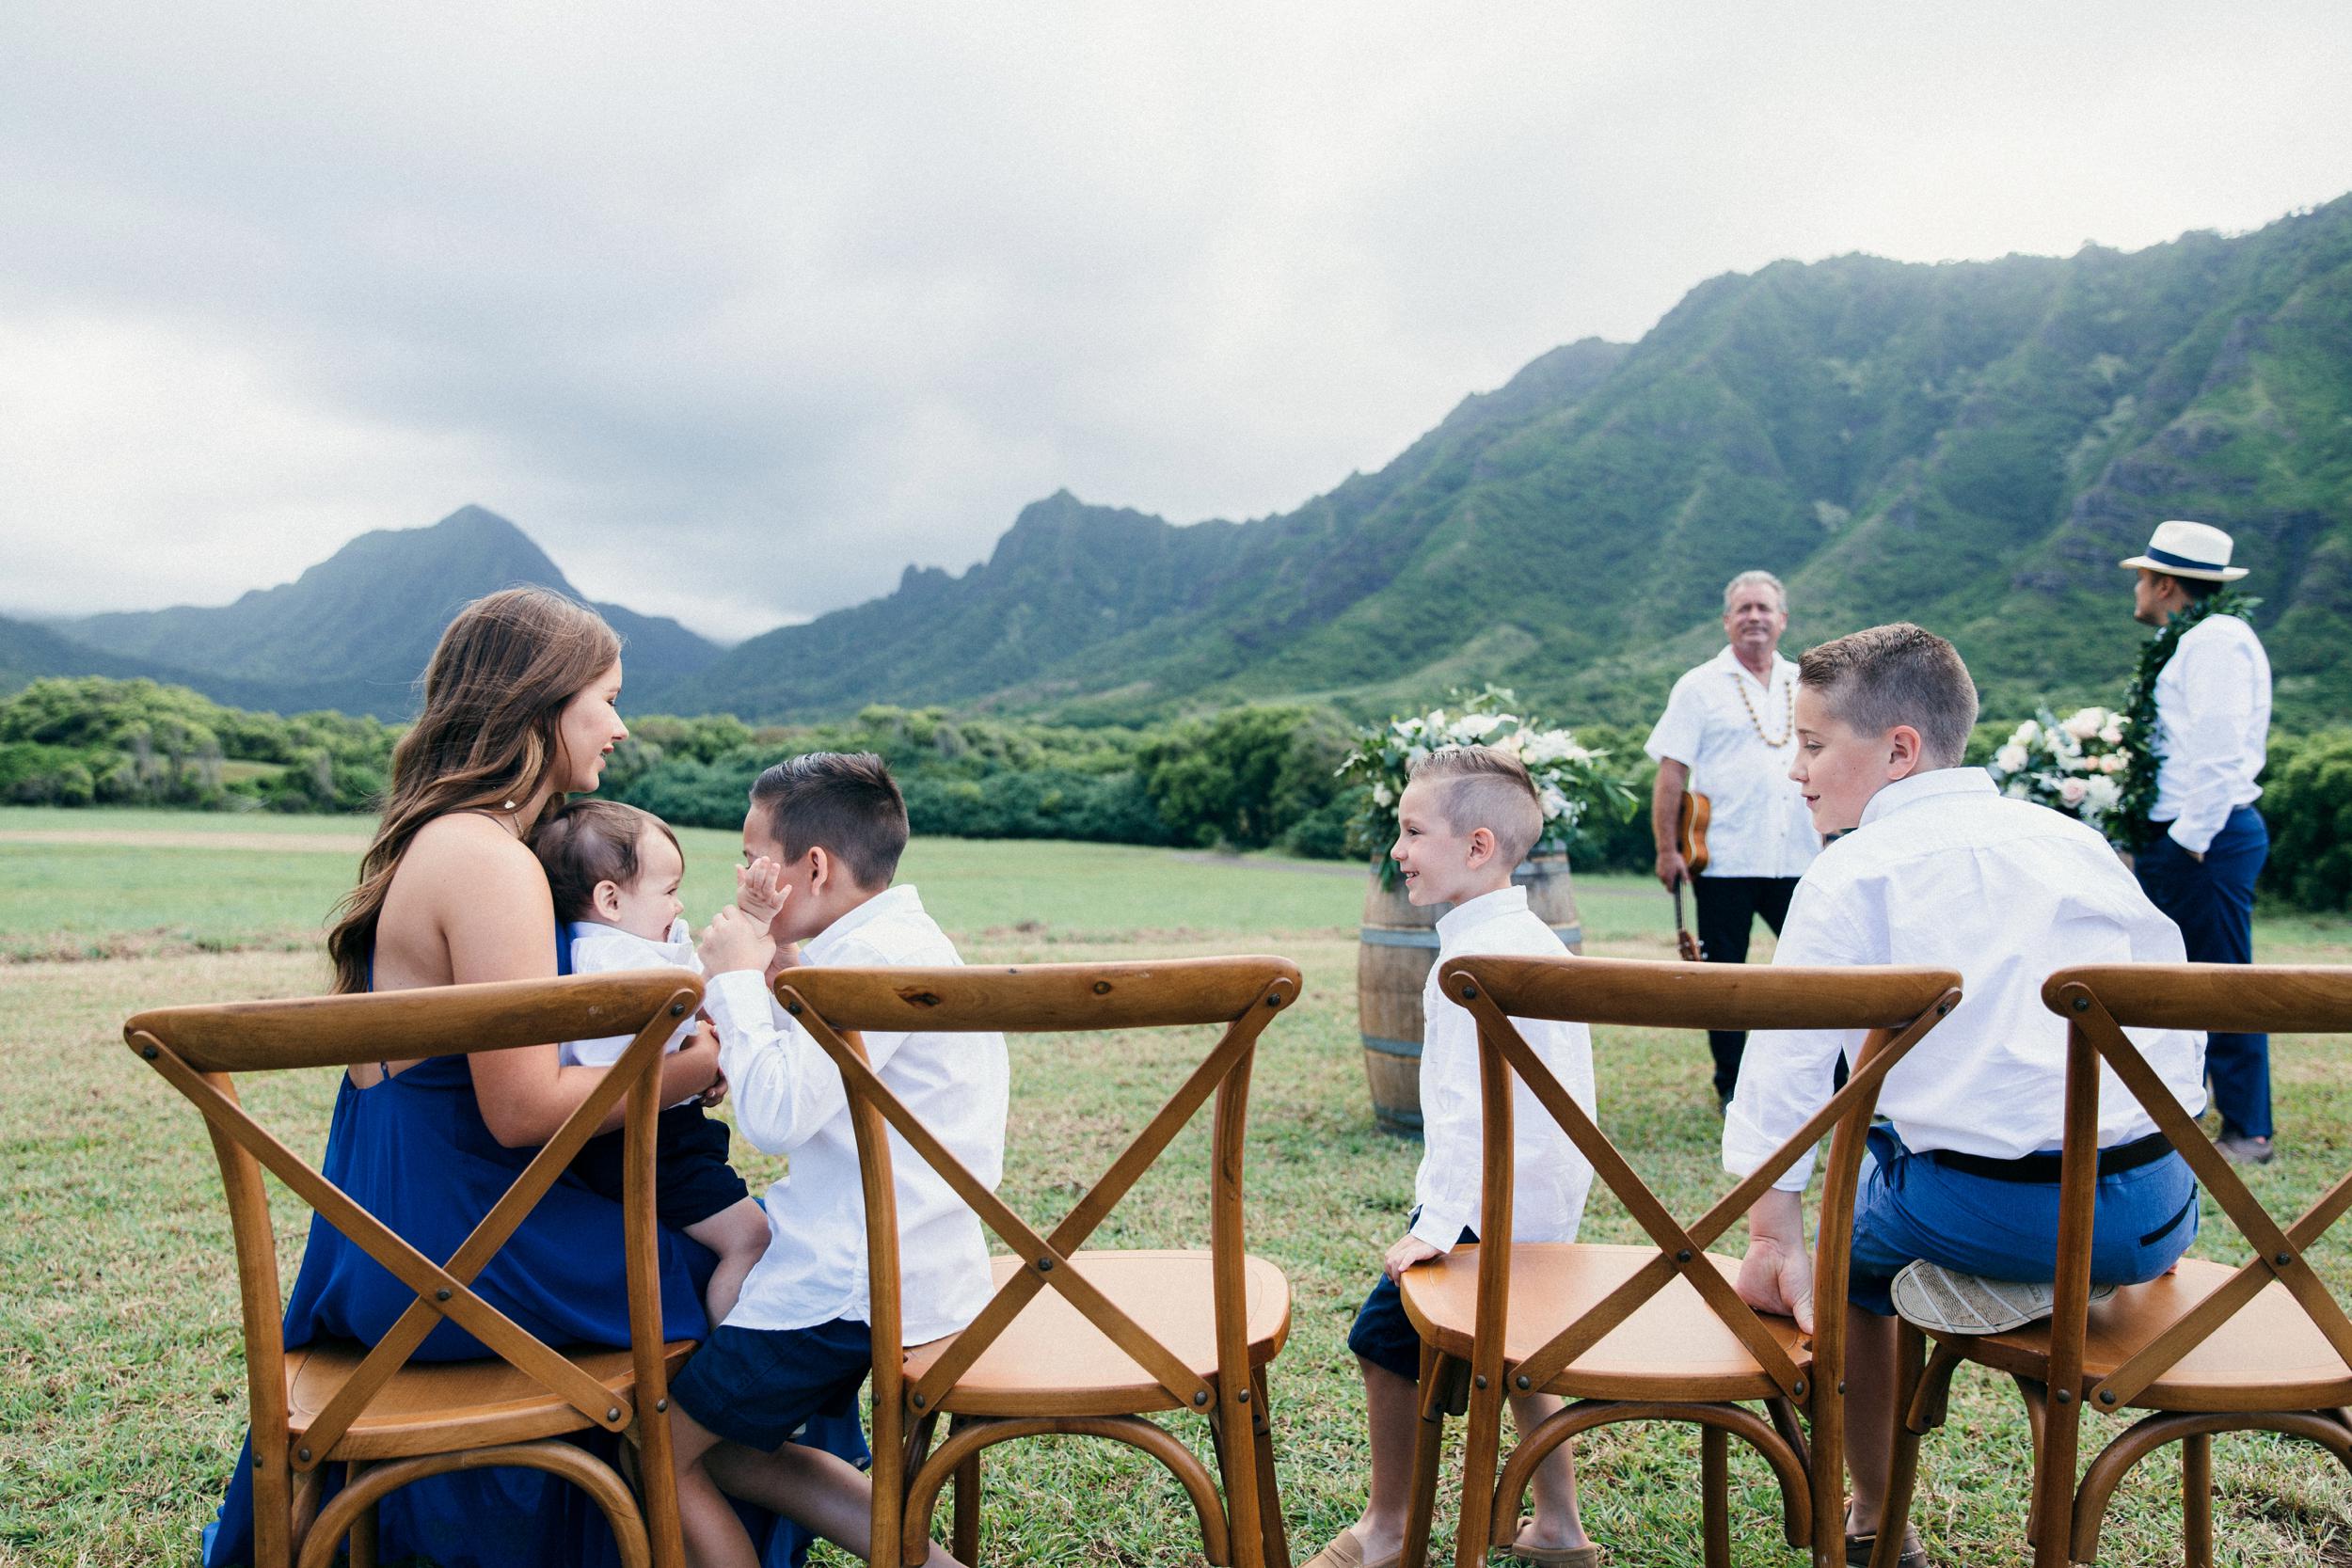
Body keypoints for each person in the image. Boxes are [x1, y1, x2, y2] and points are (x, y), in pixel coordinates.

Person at [201, 587, 857, 1568]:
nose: (621, 723)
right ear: (543, 702)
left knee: (724, 1282)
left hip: (394, 1233)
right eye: (606, 696)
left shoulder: (449, 842)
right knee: (774, 1298)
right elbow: (521, 1113)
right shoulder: (489, 861)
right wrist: (709, 1059)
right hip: (455, 1250)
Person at [1725, 623, 2205, 1568]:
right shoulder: (2075, 841)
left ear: (1899, 748)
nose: (1796, 769)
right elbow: (2175, 1037)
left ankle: (1873, 1515)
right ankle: (2051, 1282)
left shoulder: (1853, 869)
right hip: (2159, 1207)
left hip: (1989, 1213)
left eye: (1814, 743)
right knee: (1956, 1155)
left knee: (1849, 1263)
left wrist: (1771, 1234)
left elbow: (1785, 1071)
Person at [667, 752, 1009, 1568]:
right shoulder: (897, 943)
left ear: (811, 866)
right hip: (911, 1263)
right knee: (728, 1448)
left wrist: (740, 982)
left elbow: (779, 1116)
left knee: (662, 1449)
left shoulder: (867, 966)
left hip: (852, 1285)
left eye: (754, 855)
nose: (744, 873)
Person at [1306, 746, 1599, 1568]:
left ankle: (1390, 1530)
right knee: (1522, 1358)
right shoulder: (1533, 940)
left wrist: (1437, 1227)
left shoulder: (1470, 966)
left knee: (1382, 1339)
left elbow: (1472, 1118)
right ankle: (1561, 1528)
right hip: (1541, 1214)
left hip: (1479, 1214)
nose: (1396, 848)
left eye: (1411, 830)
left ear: (1477, 847)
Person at [531, 799, 776, 1324]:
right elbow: (702, 1001)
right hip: (649, 1144)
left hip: (634, 1139)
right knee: (753, 1237)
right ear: (611, 900)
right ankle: (726, 1351)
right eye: (669, 892)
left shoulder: (594, 950)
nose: (679, 907)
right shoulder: (625, 967)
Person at [2120, 519, 2275, 1164]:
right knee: (2177, 980)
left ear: (2164, 583)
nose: (2136, 590)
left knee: (2221, 979)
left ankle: (2249, 1128)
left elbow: (2217, 747)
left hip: (2204, 837)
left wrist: (2188, 840)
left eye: (2141, 579)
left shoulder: (2215, 641)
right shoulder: (2188, 640)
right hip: (2184, 834)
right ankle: (2186, 1108)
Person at [1646, 570, 1822, 1107]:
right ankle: (1732, 1087)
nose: (1754, 617)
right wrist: (1666, 849)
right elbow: (1671, 773)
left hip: (1799, 857)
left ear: (1782, 619)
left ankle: (1825, 1084)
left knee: (1819, 974)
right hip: (1721, 860)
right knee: (1725, 980)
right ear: (1727, 621)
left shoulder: (1808, 683)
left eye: (1764, 608)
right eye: (1743, 609)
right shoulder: (1698, 686)